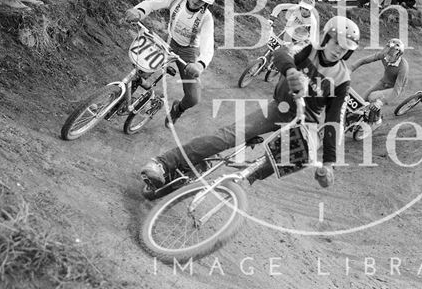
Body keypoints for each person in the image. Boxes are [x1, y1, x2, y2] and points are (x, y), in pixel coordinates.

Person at [139, 16, 361, 189]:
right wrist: (291, 69)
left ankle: (242, 182)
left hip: (306, 123)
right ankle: (162, 163)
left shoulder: (342, 78)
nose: (340, 50)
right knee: (228, 136)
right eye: (337, 43)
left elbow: (335, 120)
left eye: (346, 49)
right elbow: (283, 53)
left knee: (293, 156)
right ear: (325, 38)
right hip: (280, 108)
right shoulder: (309, 48)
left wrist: (330, 163)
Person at [124, 0, 217, 127]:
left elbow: (208, 43)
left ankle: (177, 109)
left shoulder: (206, 17)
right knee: (139, 69)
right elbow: (152, 4)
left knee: (193, 98)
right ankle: (119, 99)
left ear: (207, 2)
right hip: (169, 41)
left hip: (189, 51)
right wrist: (139, 11)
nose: (196, 1)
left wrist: (200, 64)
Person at [350, 38, 408, 126]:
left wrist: (381, 102)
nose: (386, 58)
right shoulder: (384, 55)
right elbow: (364, 60)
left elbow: (397, 90)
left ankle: (377, 120)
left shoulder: (403, 67)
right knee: (363, 99)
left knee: (373, 98)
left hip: (395, 88)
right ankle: (358, 117)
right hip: (384, 82)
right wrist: (350, 69)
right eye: (386, 54)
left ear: (398, 55)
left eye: (390, 56)